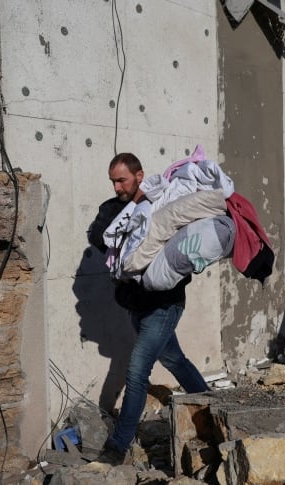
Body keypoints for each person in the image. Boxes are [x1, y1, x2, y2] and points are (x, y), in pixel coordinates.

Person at [87, 152, 209, 465]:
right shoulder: (116, 208)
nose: (116, 186)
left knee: (137, 370)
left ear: (140, 176)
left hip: (164, 305)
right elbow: (98, 235)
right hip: (135, 305)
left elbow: (187, 243)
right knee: (175, 360)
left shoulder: (164, 204)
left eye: (121, 180)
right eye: (113, 181)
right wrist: (131, 219)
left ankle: (118, 445)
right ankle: (212, 401)